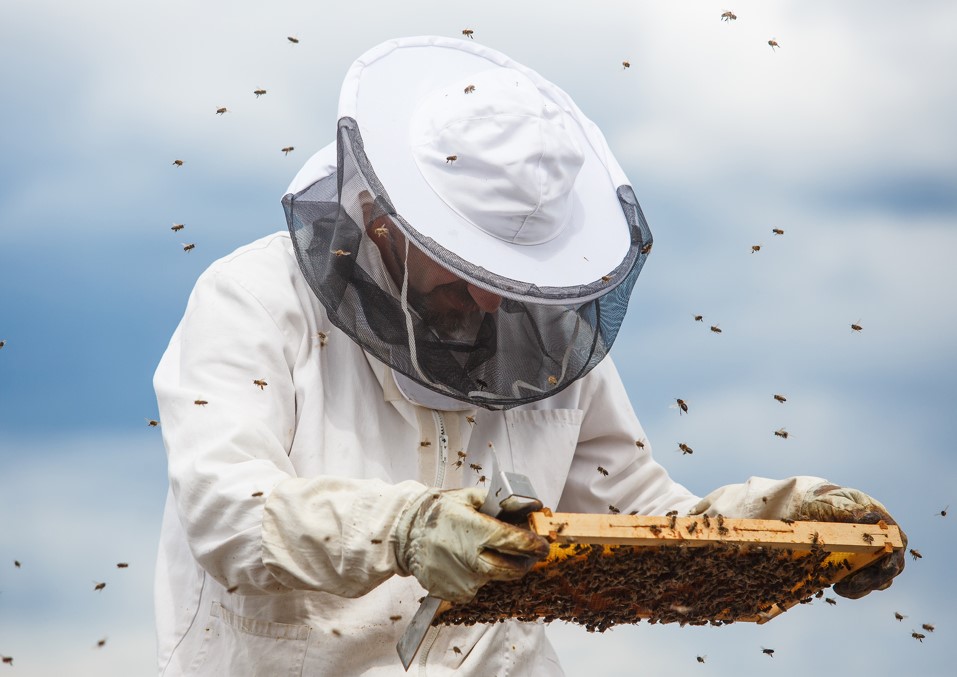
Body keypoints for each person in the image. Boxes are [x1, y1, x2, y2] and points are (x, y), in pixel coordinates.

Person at [153, 36, 904, 676]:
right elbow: (230, 513)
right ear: (384, 218)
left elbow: (640, 523)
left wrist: (776, 526)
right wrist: (407, 529)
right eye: (467, 269)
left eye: (513, 280)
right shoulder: (252, 299)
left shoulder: (541, 337)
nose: (489, 304)